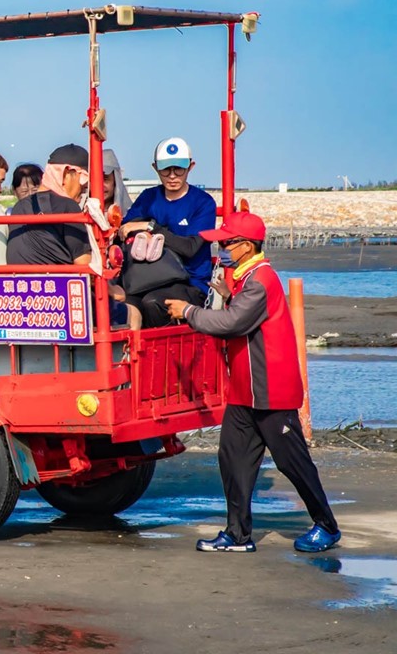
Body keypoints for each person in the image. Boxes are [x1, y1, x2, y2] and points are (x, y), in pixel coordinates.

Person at [165, 212, 341, 554]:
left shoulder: (261, 280)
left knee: (293, 463)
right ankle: (237, 535)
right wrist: (227, 294)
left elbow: (232, 323)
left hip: (271, 392)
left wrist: (187, 312)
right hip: (245, 392)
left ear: (246, 246)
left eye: (226, 243)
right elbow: (239, 317)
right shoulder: (247, 277)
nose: (220, 249)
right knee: (233, 460)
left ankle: (327, 526)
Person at [118, 137, 216, 328]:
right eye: (165, 169)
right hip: (146, 279)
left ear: (191, 167)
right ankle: (130, 347)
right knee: (125, 305)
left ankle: (159, 347)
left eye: (179, 169)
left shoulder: (203, 203)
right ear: (155, 168)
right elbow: (125, 228)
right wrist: (139, 231)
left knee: (153, 303)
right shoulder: (149, 197)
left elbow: (190, 248)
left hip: (190, 282)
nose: (172, 176)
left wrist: (151, 227)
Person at [6, 144, 91, 267]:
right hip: (58, 278)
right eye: (83, 183)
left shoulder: (18, 207)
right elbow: (84, 264)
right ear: (66, 174)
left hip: (18, 278)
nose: (84, 190)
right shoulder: (68, 206)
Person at [102, 148, 132, 215]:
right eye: (94, 180)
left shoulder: (131, 214)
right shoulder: (80, 212)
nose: (100, 185)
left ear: (116, 181)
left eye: (105, 179)